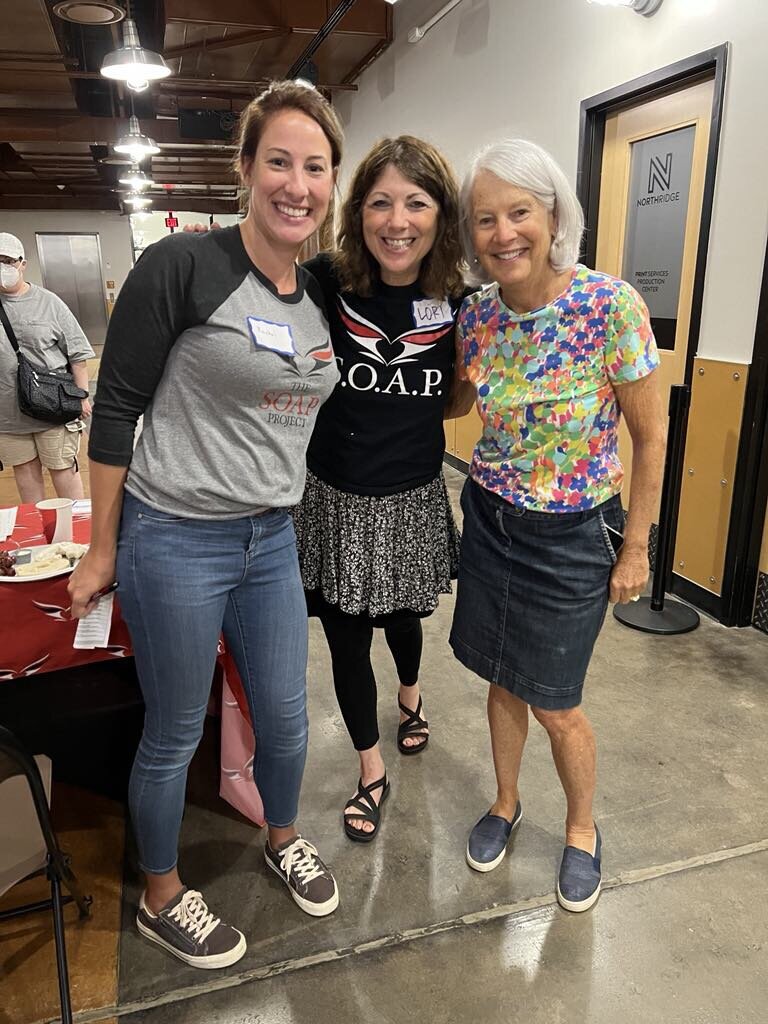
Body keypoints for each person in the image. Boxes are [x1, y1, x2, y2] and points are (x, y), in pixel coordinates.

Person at [67, 80, 344, 969]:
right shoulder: (183, 267)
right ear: (246, 169)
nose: (296, 184)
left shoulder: (319, 293)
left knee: (289, 718)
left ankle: (282, 834)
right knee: (177, 727)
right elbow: (115, 410)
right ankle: (159, 894)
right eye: (279, 162)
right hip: (177, 535)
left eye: (315, 167)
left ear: (330, 182)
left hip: (272, 538)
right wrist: (102, 546)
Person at [450, 139, 666, 911]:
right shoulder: (475, 315)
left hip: (576, 535)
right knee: (502, 681)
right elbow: (457, 408)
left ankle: (582, 829)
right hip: (491, 520)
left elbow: (651, 439)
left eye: (519, 213)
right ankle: (506, 803)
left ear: (552, 216)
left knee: (556, 699)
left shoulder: (610, 306)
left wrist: (636, 546)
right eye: (485, 219)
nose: (503, 233)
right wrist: (437, 375)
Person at [292, 136, 468, 842]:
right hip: (334, 494)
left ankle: (411, 696)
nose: (398, 221)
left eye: (416, 203)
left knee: (403, 619)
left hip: (411, 495)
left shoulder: (460, 299)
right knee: (344, 640)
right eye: (380, 202)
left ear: (439, 214)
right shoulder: (323, 282)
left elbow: (456, 398)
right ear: (357, 211)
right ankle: (370, 768)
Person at [0, 232, 93, 502]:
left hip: (52, 406)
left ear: (22, 264)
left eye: (7, 260)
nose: (3, 267)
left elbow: (77, 353)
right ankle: (43, 538)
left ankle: (74, 540)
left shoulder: (49, 303)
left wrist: (82, 395)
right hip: (8, 413)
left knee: (63, 471)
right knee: (25, 474)